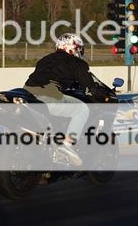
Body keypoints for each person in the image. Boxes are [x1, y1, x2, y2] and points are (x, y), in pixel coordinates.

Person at [23, 33, 109, 165]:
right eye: (79, 49)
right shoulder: (77, 63)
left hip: (28, 94)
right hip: (48, 95)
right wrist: (102, 97)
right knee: (82, 109)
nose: (79, 52)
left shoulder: (44, 59)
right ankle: (67, 145)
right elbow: (89, 88)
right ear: (73, 48)